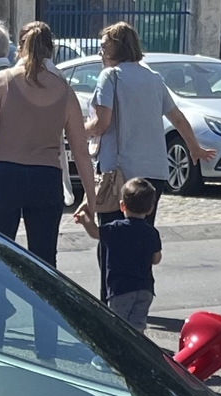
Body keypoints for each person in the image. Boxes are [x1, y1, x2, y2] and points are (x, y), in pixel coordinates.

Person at [75, 21, 210, 278]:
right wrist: (194, 148)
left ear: (118, 47)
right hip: (154, 172)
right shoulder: (153, 78)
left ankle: (113, 299)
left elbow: (102, 123)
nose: (101, 53)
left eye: (104, 47)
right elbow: (178, 118)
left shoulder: (110, 77)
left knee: (113, 240)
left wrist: (80, 129)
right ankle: (139, 293)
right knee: (141, 236)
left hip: (120, 172)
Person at [0, 23, 100, 267]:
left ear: (19, 49)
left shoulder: (4, 81)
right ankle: (42, 305)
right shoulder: (64, 90)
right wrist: (91, 200)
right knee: (44, 259)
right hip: (46, 177)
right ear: (51, 51)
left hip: (5, 175)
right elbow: (81, 153)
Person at [78, 176, 162, 332]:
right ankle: (138, 351)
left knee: (118, 328)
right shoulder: (151, 232)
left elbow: (95, 232)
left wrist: (84, 218)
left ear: (122, 206)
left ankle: (119, 353)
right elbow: (156, 259)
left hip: (120, 288)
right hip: (145, 288)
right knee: (138, 326)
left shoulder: (116, 228)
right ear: (150, 209)